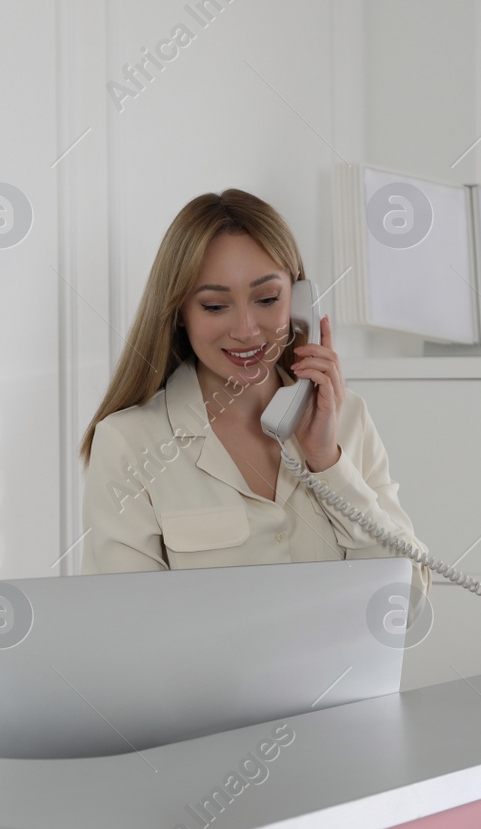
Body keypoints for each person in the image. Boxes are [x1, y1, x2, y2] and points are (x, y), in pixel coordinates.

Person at [78, 188, 431, 602]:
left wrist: (327, 463)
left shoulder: (347, 418)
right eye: (214, 306)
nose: (246, 329)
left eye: (267, 299)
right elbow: (126, 630)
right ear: (178, 312)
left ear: (299, 300)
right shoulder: (129, 443)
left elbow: (408, 609)